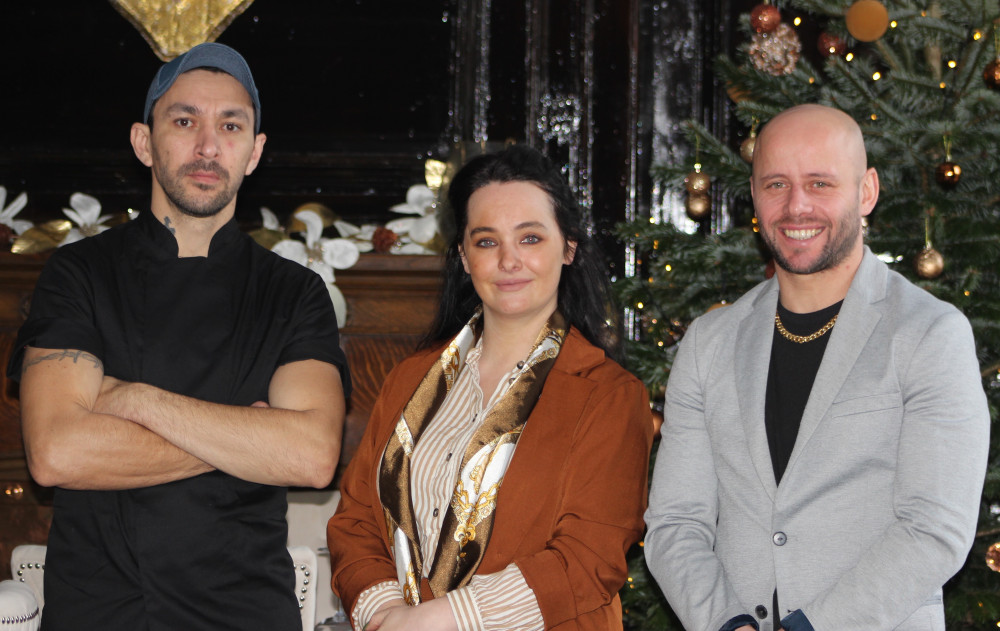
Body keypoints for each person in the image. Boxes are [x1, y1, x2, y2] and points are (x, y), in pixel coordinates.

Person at [7, 43, 351, 630]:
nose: (207, 146)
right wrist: (247, 437)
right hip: (101, 612)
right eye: (185, 120)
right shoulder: (79, 274)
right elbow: (56, 453)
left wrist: (131, 400)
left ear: (254, 152)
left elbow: (313, 456)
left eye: (231, 125)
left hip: (245, 613)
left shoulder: (294, 293)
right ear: (145, 142)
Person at [643, 103, 990, 631]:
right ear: (755, 194)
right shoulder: (707, 343)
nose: (796, 206)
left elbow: (934, 529)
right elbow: (675, 523)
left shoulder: (930, 333)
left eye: (820, 183)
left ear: (866, 191)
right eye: (776, 184)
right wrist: (724, 622)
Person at [326, 144, 653, 631]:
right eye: (486, 241)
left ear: (568, 248)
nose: (508, 260)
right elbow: (355, 522)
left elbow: (588, 560)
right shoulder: (408, 379)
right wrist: (384, 615)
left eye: (530, 238)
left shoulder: (610, 395)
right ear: (462, 255)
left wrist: (436, 622)